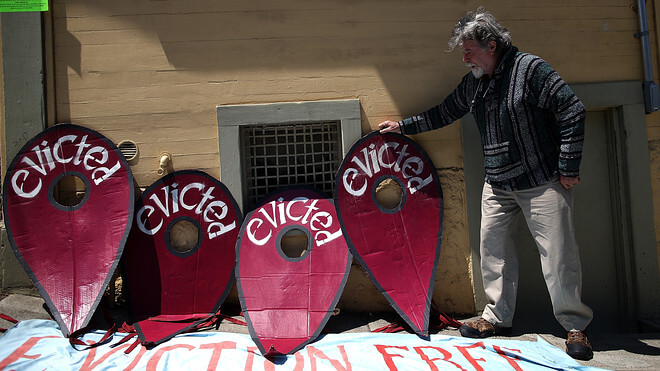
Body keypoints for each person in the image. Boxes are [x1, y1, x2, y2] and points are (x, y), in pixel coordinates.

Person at [379, 9, 594, 361]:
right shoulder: (475, 83)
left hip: (542, 181)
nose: (464, 59)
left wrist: (568, 166)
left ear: (491, 45)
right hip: (497, 183)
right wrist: (404, 127)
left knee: (558, 256)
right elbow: (445, 111)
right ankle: (496, 317)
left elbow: (572, 110)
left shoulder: (530, 69)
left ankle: (575, 326)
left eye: (469, 51)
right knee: (493, 251)